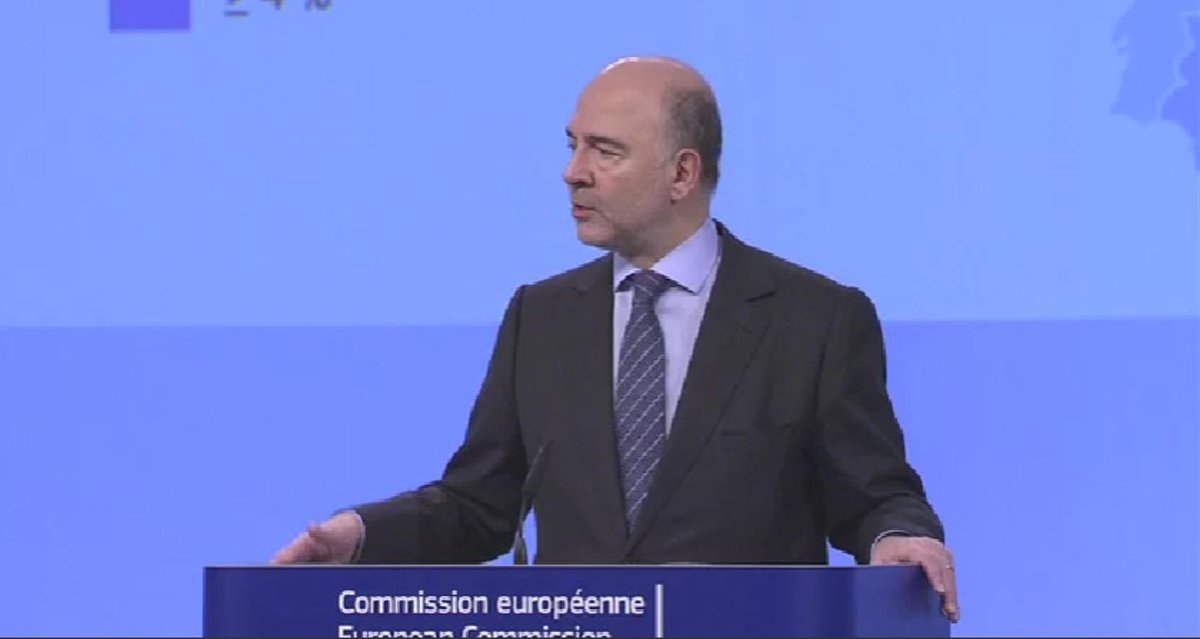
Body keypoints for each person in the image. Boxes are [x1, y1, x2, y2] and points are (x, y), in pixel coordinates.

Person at [273, 56, 960, 622]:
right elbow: (480, 504)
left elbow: (874, 492)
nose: (573, 171)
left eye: (605, 151)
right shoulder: (542, 315)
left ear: (682, 174)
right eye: (573, 145)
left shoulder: (814, 318)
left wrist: (898, 536)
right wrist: (363, 536)